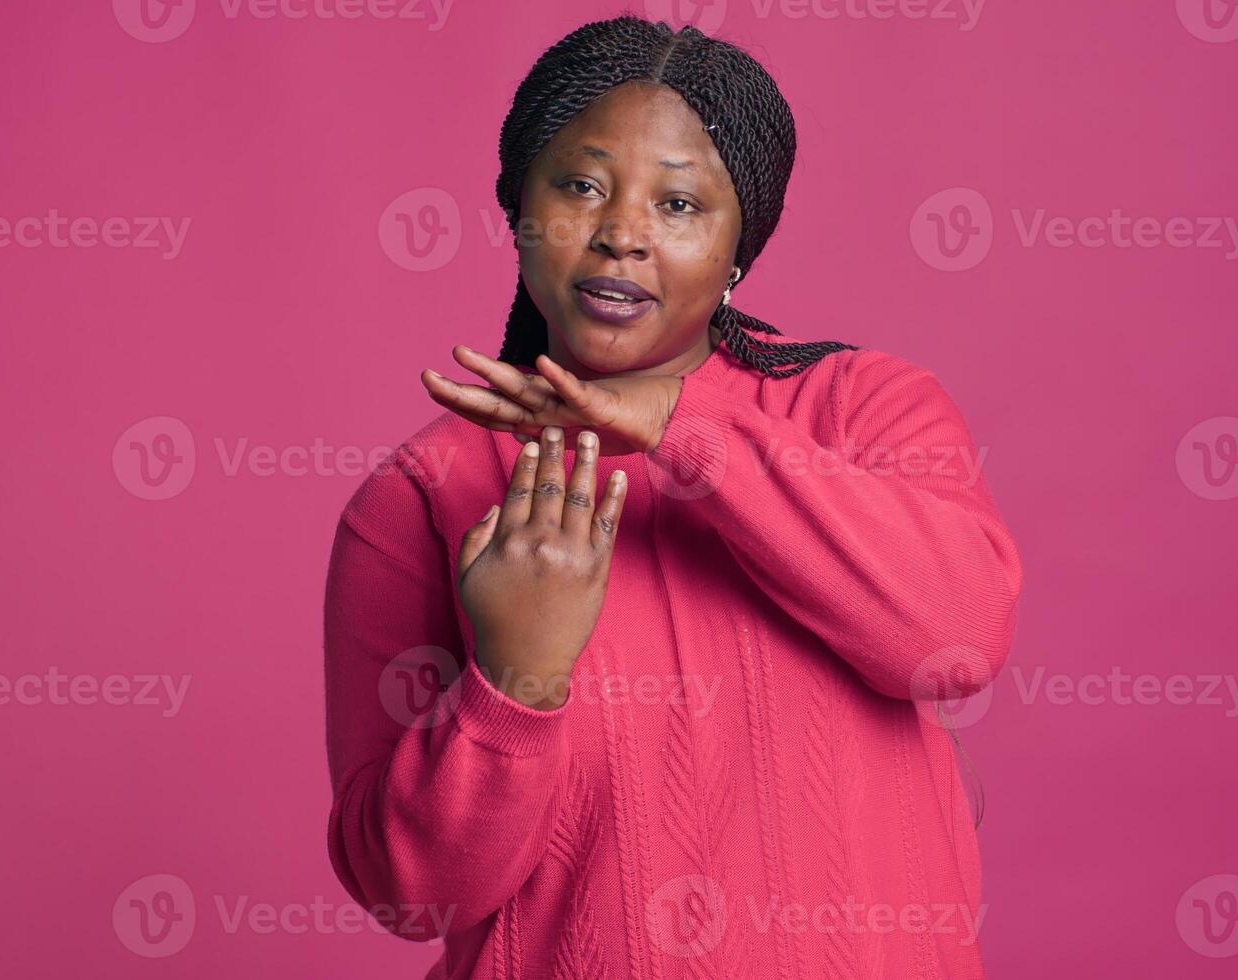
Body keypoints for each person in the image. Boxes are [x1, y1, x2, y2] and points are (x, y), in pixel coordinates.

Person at [324, 14, 1023, 978]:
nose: (621, 235)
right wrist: (516, 675)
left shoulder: (863, 410)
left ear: (743, 246)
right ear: (515, 205)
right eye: (579, 185)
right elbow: (409, 893)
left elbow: (954, 640)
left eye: (682, 205)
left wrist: (678, 425)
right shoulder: (426, 491)